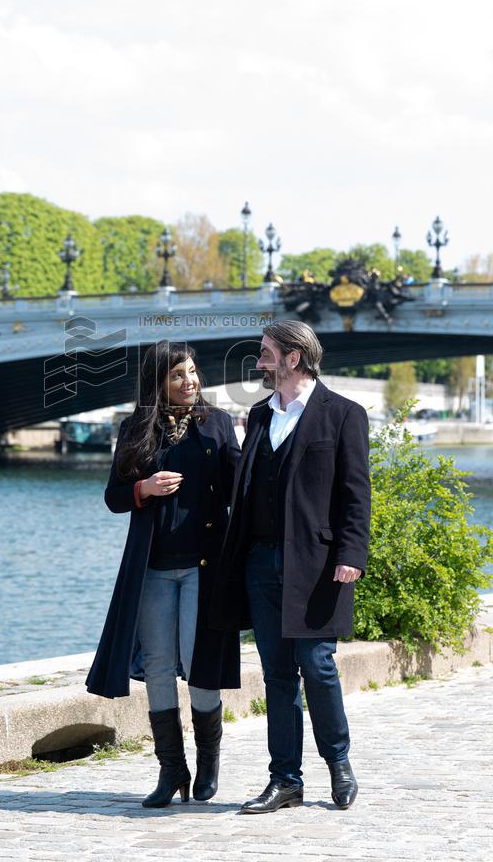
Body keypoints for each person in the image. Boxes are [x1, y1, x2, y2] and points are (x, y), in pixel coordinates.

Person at [210, 319, 370, 814]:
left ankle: (338, 763)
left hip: (319, 564)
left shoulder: (343, 414)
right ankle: (286, 780)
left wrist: (351, 554)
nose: (258, 361)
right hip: (260, 562)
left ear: (292, 358)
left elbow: (355, 493)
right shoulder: (259, 416)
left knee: (318, 667)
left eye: (265, 352)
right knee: (277, 675)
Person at [86, 340, 242, 808]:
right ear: (158, 382)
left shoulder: (216, 422)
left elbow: (237, 486)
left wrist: (248, 450)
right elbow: (114, 496)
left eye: (192, 372)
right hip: (152, 567)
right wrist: (143, 487)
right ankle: (171, 769)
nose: (188, 382)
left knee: (199, 665)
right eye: (177, 375)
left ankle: (208, 760)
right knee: (155, 667)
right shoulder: (136, 427)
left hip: (202, 565)